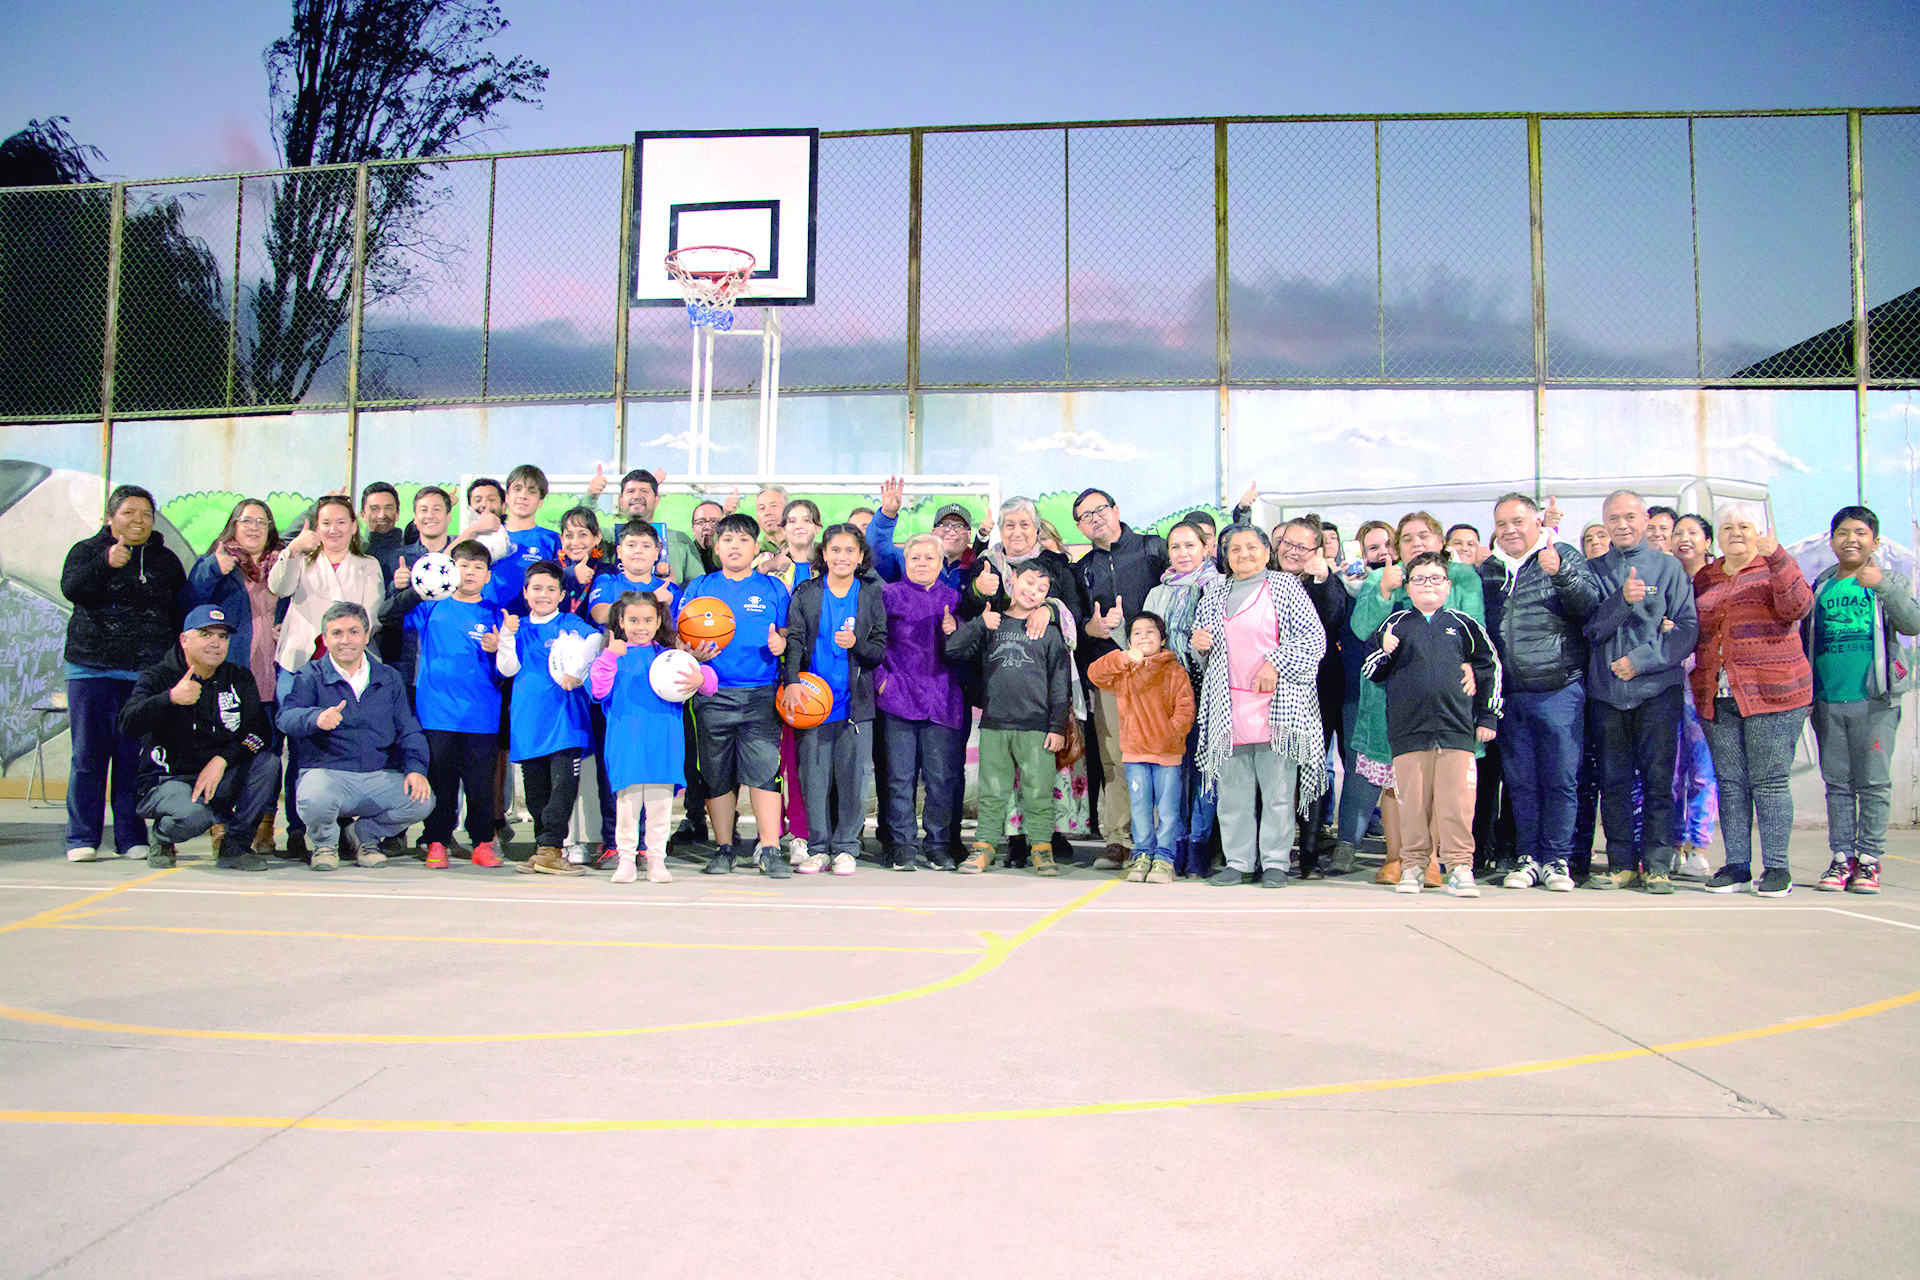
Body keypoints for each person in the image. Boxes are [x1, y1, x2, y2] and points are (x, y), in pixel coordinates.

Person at [1351, 513, 1485, 888]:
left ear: (1440, 541)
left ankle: (1435, 861)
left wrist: (1472, 665)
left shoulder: (1462, 578)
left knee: (1443, 786)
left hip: (1447, 699)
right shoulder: (1380, 578)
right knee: (1396, 783)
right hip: (1388, 698)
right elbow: (1362, 630)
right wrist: (1383, 592)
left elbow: (1476, 629)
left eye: (1424, 536)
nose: (1416, 543)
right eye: (1407, 538)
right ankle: (1398, 858)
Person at [1191, 524, 1327, 888]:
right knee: (1232, 795)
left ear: (1268, 552)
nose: (1244, 554)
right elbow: (1202, 653)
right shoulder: (1213, 594)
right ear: (1225, 557)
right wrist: (1199, 646)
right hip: (1228, 708)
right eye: (1235, 549)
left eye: (1252, 547)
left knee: (1278, 794)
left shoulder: (1285, 587)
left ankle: (1276, 863)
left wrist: (1275, 664)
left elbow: (1313, 639)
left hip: (1276, 706)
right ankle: (1239, 862)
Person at [1688, 503, 1812, 898]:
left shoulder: (1775, 566)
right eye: (1727, 527)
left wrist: (1778, 557)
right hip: (1718, 695)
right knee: (1730, 784)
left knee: (1769, 781)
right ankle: (1737, 865)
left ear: (1759, 532)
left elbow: (1797, 606)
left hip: (1774, 693)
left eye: (1744, 526)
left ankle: (1776, 868)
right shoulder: (1706, 576)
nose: (1736, 533)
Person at [58, 484, 186, 863]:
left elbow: (179, 614)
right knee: (88, 756)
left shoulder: (165, 560)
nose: (139, 520)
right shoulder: (86, 551)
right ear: (110, 517)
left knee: (133, 759)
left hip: (145, 677)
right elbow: (71, 588)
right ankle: (82, 837)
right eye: (129, 512)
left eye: (146, 514)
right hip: (91, 670)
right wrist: (104, 563)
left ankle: (130, 836)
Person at [1482, 494, 1598, 893]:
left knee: (1561, 780)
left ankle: (1557, 860)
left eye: (1517, 521)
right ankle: (1528, 857)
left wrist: (1562, 573)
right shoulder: (1489, 570)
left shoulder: (1561, 555)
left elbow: (1590, 607)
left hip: (1559, 689)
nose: (1510, 530)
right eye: (1501, 524)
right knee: (1521, 783)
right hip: (1510, 694)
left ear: (1536, 522)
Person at [1584, 489, 1699, 892]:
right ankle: (1621, 863)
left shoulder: (1669, 568)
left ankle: (1657, 864)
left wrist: (1642, 660)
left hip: (1657, 691)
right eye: (1614, 518)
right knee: (1613, 782)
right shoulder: (1592, 571)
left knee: (1658, 781)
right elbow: (1589, 629)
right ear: (1605, 523)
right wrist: (1622, 601)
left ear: (1645, 519)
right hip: (1607, 694)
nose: (1622, 525)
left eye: (1630, 517)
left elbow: (1687, 629)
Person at [1804, 505, 1917, 895]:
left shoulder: (1889, 580)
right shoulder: (1821, 584)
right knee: (1837, 784)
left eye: (1860, 533)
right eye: (1843, 533)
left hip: (1875, 702)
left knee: (1873, 784)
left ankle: (1869, 861)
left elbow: (1913, 623)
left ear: (1875, 541)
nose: (1850, 540)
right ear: (1832, 540)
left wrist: (1882, 585)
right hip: (1827, 701)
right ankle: (1841, 858)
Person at [268, 493, 385, 861]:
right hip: (300, 664)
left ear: (354, 526)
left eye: (341, 522)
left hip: (347, 668)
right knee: (298, 747)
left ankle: (341, 830)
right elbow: (278, 588)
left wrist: (340, 633)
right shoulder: (301, 559)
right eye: (326, 523)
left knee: (342, 748)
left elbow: (371, 616)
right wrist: (292, 550)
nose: (333, 530)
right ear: (315, 528)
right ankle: (297, 830)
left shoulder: (367, 565)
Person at [119, 605, 280, 870]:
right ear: (184, 640)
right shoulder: (158, 676)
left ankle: (236, 846)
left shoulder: (238, 677)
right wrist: (170, 698)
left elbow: (260, 733)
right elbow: (127, 724)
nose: (216, 643)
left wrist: (223, 759)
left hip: (217, 775)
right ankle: (162, 836)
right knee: (194, 817)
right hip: (168, 780)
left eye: (223, 636)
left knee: (268, 763)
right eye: (206, 634)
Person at [277, 603, 433, 872]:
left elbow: (408, 729)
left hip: (378, 775)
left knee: (422, 800)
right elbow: (285, 718)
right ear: (325, 639)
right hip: (329, 774)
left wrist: (416, 769)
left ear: (366, 635)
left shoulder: (389, 677)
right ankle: (325, 845)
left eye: (353, 632)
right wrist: (315, 717)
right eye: (336, 633)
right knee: (314, 797)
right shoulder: (309, 675)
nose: (345, 640)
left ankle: (364, 837)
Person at [380, 539, 504, 869]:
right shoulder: (431, 605)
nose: (471, 573)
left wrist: (499, 649)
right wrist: (412, 589)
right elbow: (387, 616)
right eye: (464, 566)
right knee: (441, 783)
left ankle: (482, 843)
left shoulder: (496, 613)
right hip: (436, 713)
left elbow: (508, 670)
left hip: (481, 715)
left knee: (480, 786)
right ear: (452, 571)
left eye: (478, 567)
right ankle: (437, 841)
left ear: (488, 576)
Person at [944, 562, 1073, 875]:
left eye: (1042, 589)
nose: (1033, 592)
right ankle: (984, 846)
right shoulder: (992, 623)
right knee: (991, 792)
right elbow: (953, 649)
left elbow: (1060, 683)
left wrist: (1057, 726)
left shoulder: (1050, 632)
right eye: (1029, 582)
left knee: (1039, 792)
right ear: (1012, 579)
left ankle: (1041, 848)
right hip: (995, 724)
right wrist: (979, 623)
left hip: (1036, 727)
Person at [683, 512, 792, 878]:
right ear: (716, 547)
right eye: (727, 539)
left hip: (760, 694)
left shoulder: (773, 588)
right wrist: (690, 652)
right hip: (712, 694)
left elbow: (789, 635)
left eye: (744, 540)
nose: (735, 546)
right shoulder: (700, 586)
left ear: (756, 548)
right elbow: (680, 638)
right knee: (717, 775)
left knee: (764, 772)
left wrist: (782, 644)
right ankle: (724, 848)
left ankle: (770, 849)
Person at [1071, 487, 1170, 869]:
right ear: (1080, 527)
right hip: (1111, 676)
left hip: (1158, 675)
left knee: (1158, 757)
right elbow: (1076, 622)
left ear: (1115, 509)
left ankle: (1160, 840)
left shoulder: (1152, 548)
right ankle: (1118, 839)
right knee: (1114, 758)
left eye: (1100, 509)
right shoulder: (1082, 569)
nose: (1095, 518)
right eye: (1085, 516)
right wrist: (1091, 628)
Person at [783, 525, 889, 874]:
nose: (842, 557)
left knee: (852, 781)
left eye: (849, 551)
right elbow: (794, 641)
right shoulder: (807, 592)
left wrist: (856, 644)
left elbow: (878, 650)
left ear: (860, 557)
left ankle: (846, 847)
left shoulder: (870, 594)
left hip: (855, 705)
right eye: (835, 550)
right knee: (814, 780)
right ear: (824, 554)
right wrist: (792, 682)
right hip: (812, 704)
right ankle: (818, 848)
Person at [182, 498, 285, 855]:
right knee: (224, 751)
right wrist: (214, 568)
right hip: (231, 678)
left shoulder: (284, 565)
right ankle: (220, 826)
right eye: (246, 520)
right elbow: (189, 603)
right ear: (233, 525)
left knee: (270, 755)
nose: (254, 527)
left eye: (262, 521)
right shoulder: (217, 560)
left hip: (273, 675)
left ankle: (263, 826)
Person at [590, 592, 715, 884]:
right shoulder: (612, 655)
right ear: (621, 621)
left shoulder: (670, 655)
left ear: (659, 621)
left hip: (664, 743)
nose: (641, 626)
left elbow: (709, 684)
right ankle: (626, 860)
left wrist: (701, 677)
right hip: (627, 743)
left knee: (660, 807)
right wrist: (609, 656)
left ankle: (656, 860)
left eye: (648, 620)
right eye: (633, 620)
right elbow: (597, 690)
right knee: (627, 808)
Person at [492, 560, 600, 876]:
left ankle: (550, 847)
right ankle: (545, 850)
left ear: (562, 594)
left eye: (551, 589)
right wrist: (507, 637)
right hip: (528, 722)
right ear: (525, 592)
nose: (543, 594)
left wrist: (576, 671)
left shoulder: (570, 623)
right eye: (536, 588)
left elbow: (596, 641)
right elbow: (507, 669)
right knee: (536, 792)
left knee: (563, 787)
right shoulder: (518, 627)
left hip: (566, 722)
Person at [877, 532, 967, 872]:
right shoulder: (888, 595)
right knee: (899, 779)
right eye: (915, 558)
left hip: (943, 700)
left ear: (941, 562)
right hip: (897, 698)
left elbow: (969, 645)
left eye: (930, 558)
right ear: (905, 562)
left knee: (941, 780)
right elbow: (872, 642)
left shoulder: (954, 598)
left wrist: (955, 628)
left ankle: (938, 845)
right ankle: (902, 845)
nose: (922, 563)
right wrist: (882, 683)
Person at [1088, 611, 1196, 883]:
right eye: (1137, 633)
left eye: (1150, 632)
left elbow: (1185, 709)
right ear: (1129, 641)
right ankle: (1143, 854)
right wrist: (1123, 658)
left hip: (1167, 754)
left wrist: (1171, 735)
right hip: (1135, 753)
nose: (1144, 637)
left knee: (1167, 810)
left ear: (1163, 638)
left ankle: (1165, 859)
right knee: (1140, 807)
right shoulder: (1125, 670)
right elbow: (1095, 673)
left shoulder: (1175, 670)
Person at [1143, 519, 1223, 878]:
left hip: (1208, 688)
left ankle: (1199, 847)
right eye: (1175, 547)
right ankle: (1171, 845)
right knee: (1171, 771)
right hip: (1166, 691)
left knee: (1204, 769)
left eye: (1190, 545)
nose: (1183, 553)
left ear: (1206, 548)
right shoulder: (1157, 593)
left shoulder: (1219, 586)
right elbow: (1146, 641)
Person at [1276, 517, 1349, 875]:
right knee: (1274, 769)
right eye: (1287, 543)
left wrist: (1322, 579)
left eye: (1302, 547)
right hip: (1270, 687)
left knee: (1311, 767)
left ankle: (1308, 852)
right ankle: (1269, 849)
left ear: (1317, 551)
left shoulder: (1326, 582)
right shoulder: (1263, 579)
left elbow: (1332, 618)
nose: (1292, 551)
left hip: (1319, 689)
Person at [1669, 513, 1720, 879]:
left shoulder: (1718, 580)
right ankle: (1673, 845)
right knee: (1671, 774)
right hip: (1667, 689)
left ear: (1708, 541)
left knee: (1703, 774)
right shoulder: (1665, 578)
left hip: (1704, 691)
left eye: (1692, 532)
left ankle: (1698, 846)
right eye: (1678, 533)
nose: (1684, 538)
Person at [583, 465, 705, 584]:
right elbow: (582, 529)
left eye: (644, 491)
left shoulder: (678, 540)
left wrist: (673, 591)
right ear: (621, 500)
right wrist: (591, 497)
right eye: (631, 491)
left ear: (656, 500)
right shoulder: (608, 537)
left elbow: (699, 587)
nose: (637, 496)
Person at [867, 477, 978, 592]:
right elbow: (878, 551)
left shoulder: (978, 568)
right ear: (933, 532)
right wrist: (887, 514)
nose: (952, 531)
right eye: (945, 525)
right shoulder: (908, 558)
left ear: (969, 535)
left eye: (959, 527)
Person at [556, 505, 610, 620]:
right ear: (562, 539)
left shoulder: (607, 571)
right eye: (569, 535)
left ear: (597, 537)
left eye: (583, 535)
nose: (575, 542)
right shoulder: (550, 568)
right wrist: (571, 573)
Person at [689, 499, 725, 574]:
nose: (707, 527)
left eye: (714, 522)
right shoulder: (685, 557)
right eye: (701, 522)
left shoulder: (734, 555)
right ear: (693, 530)